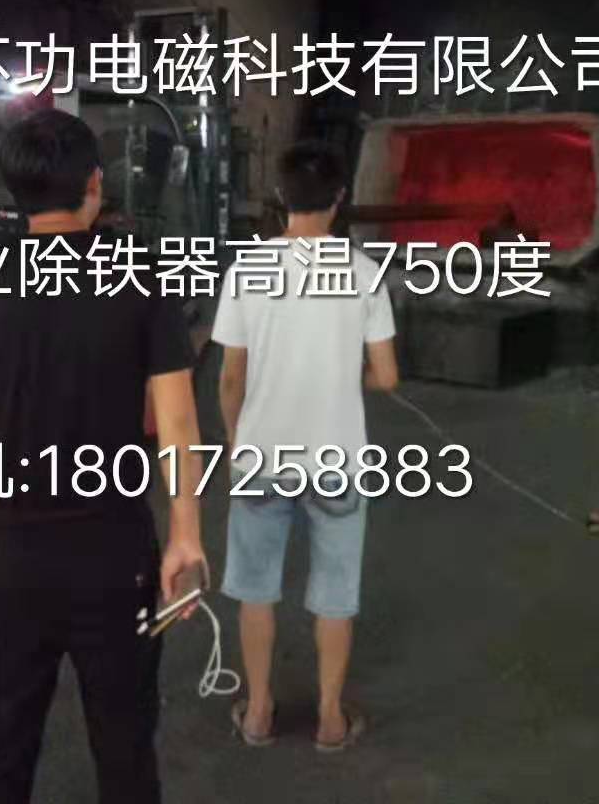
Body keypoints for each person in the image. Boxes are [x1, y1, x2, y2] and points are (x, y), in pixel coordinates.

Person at [0, 108, 206, 804]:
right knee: (125, 743)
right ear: (95, 184)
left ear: (13, 190)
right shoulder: (139, 271)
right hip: (115, 552)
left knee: (1, 748)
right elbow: (176, 422)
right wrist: (186, 537)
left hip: (12, 554)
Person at [213, 139, 399, 752]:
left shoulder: (247, 270)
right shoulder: (365, 274)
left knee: (256, 588)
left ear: (279, 196)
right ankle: (330, 719)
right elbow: (388, 377)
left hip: (262, 455)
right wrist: (343, 377)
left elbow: (231, 379)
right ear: (340, 198)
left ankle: (258, 712)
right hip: (338, 457)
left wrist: (238, 443)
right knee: (335, 595)